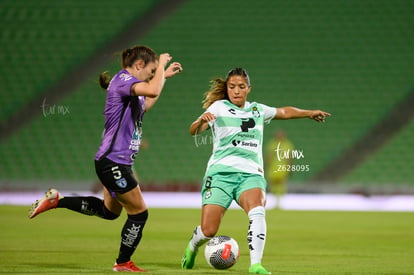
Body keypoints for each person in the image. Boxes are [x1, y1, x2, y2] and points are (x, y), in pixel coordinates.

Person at [29, 45, 183, 272]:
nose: (153, 75)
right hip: (114, 162)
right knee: (140, 213)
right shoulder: (122, 80)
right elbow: (151, 90)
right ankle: (122, 263)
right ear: (139, 65)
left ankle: (57, 200)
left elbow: (148, 101)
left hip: (114, 162)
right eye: (150, 71)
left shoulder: (132, 89)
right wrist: (160, 65)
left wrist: (162, 77)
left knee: (109, 212)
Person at [181, 68, 330, 274]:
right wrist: (202, 122)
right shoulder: (218, 107)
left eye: (241, 87)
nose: (236, 91)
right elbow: (194, 130)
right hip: (220, 175)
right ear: (227, 88)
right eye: (232, 87)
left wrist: (308, 113)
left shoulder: (257, 110)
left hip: (250, 175)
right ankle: (192, 246)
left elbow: (283, 112)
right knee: (208, 230)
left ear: (248, 89)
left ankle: (255, 265)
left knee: (258, 212)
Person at [264, 130, 294, 209]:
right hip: (273, 167)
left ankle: (279, 202)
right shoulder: (272, 144)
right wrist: (266, 165)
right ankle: (275, 201)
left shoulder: (287, 144)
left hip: (282, 167)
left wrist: (289, 167)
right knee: (273, 184)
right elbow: (268, 156)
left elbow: (289, 158)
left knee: (281, 184)